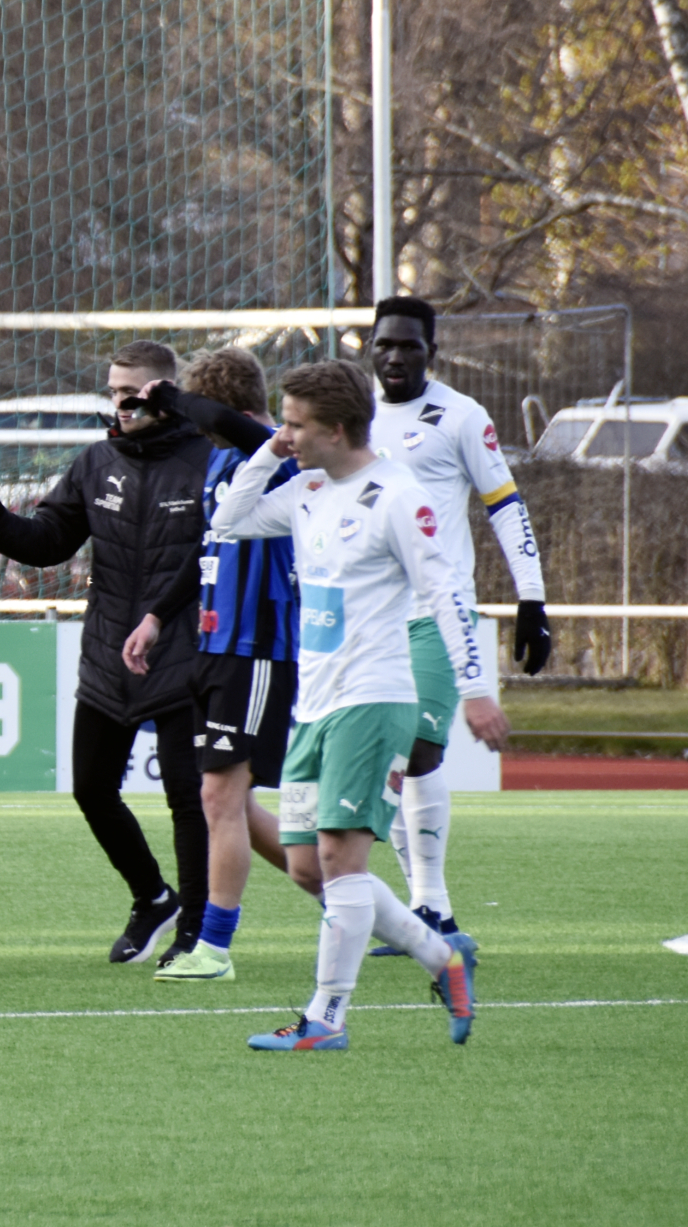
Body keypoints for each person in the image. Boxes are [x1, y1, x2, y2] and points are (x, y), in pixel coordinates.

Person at [209, 360, 506, 1050]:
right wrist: (267, 450)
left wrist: (474, 689)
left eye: (295, 424)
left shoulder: (401, 496)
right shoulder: (309, 489)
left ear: (337, 429)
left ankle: (325, 1018)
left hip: (373, 699)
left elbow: (445, 594)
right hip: (313, 705)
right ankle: (442, 958)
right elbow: (227, 518)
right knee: (311, 867)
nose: (286, 433)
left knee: (343, 859)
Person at [0, 340, 212, 965]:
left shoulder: (209, 461)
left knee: (190, 802)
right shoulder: (95, 462)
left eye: (133, 391)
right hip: (106, 655)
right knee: (92, 790)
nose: (121, 403)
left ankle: (196, 935)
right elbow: (50, 542)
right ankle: (153, 898)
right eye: (113, 391)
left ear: (164, 392)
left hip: (186, 658)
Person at [123, 348, 317, 983]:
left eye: (199, 415)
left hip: (258, 651)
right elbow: (207, 549)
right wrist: (156, 616)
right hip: (215, 649)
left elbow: (239, 427)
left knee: (218, 796)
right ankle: (352, 900)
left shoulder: (275, 453)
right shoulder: (220, 463)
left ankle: (214, 947)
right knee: (230, 805)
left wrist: (171, 397)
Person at [366, 296, 551, 945]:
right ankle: (408, 906)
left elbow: (505, 505)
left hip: (437, 613)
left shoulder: (463, 417)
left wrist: (532, 597)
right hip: (364, 618)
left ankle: (433, 906)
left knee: (419, 748)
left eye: (408, 345)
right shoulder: (347, 414)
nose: (394, 355)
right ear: (370, 345)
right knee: (380, 758)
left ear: (431, 353)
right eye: (384, 343)